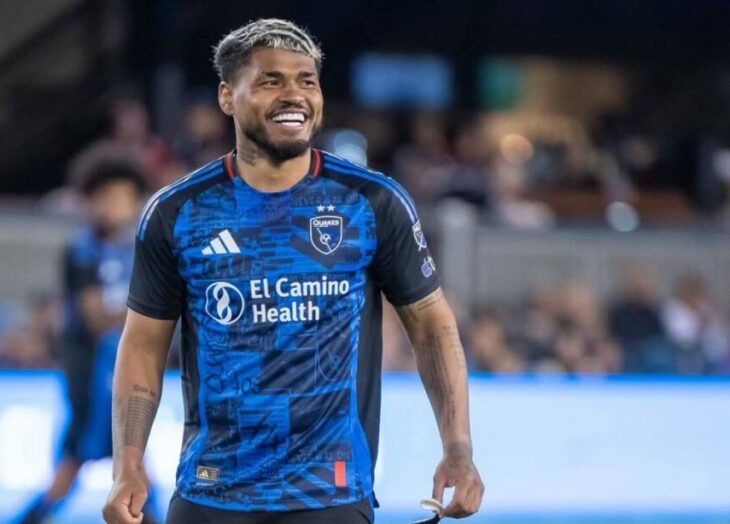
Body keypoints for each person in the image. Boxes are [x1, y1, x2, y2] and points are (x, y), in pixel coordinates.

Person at [103, 18, 483, 524]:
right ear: (227, 97)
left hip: (330, 496)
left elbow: (432, 325)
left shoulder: (371, 202)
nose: (294, 95)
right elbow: (142, 346)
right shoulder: (178, 213)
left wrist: (458, 447)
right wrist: (127, 465)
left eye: (307, 81)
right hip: (211, 494)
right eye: (271, 81)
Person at [17, 156, 161, 523]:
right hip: (92, 371)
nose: (113, 206)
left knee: (133, 462)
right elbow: (95, 317)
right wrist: (148, 318)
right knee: (81, 459)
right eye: (105, 197)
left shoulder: (135, 249)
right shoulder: (82, 250)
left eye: (121, 198)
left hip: (123, 370)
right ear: (91, 201)